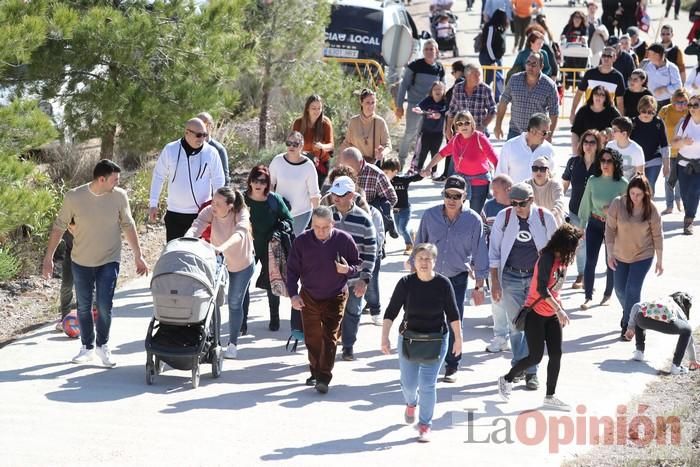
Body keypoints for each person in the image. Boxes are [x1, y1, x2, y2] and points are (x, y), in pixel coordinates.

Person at [42, 159, 149, 367]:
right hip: (81, 261)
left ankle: (103, 346)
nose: (117, 183)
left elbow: (128, 224)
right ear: (101, 179)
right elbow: (58, 227)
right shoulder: (74, 197)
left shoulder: (119, 196)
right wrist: (48, 258)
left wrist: (138, 254)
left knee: (104, 305)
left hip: (109, 259)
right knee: (83, 307)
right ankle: (87, 347)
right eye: (114, 180)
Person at [381, 243, 462, 442]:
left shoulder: (443, 284)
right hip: (409, 339)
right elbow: (391, 311)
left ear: (435, 261)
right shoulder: (406, 283)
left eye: (428, 259)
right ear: (413, 262)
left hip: (436, 340)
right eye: (420, 259)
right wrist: (385, 336)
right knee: (409, 384)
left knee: (427, 384)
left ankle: (425, 424)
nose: (424, 262)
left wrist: (458, 339)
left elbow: (453, 313)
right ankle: (411, 402)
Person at [497, 223, 582, 410]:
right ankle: (507, 379)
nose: (575, 250)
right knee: (535, 357)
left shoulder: (563, 261)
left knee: (556, 354)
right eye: (573, 246)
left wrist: (559, 306)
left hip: (552, 313)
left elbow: (556, 288)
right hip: (535, 314)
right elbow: (542, 289)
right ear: (564, 245)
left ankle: (550, 396)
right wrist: (559, 310)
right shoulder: (547, 258)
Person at [415, 175, 488, 383]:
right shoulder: (430, 216)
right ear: (443, 194)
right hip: (430, 276)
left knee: (454, 321)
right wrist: (415, 275)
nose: (452, 199)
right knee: (427, 320)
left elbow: (480, 252)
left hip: (457, 278)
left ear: (464, 197)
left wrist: (479, 285)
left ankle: (452, 365)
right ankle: (429, 361)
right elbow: (420, 244)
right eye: (448, 195)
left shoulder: (473, 220)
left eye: (457, 196)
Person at [489, 182, 558, 391]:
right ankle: (519, 366)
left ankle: (531, 372)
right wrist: (494, 282)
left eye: (522, 203)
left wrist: (554, 283)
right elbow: (494, 252)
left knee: (533, 326)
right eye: (514, 203)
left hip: (536, 280)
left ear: (531, 201)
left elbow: (557, 252)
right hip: (510, 277)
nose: (517, 207)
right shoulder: (505, 217)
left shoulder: (545, 218)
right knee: (515, 325)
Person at [285, 206, 362, 394]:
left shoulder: (344, 239)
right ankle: (315, 371)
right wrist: (293, 294)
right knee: (313, 337)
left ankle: (324, 377)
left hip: (336, 295)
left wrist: (348, 270)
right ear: (311, 225)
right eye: (316, 227)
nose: (320, 231)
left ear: (332, 224)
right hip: (309, 295)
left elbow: (357, 264)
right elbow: (292, 270)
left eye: (325, 227)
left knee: (330, 336)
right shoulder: (302, 241)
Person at [186, 187, 254, 358]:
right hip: (218, 262)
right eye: (213, 201)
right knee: (213, 300)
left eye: (218, 203)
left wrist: (221, 248)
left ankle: (233, 343)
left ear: (230, 206)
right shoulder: (210, 211)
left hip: (242, 263)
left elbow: (240, 233)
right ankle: (215, 341)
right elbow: (197, 226)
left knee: (234, 302)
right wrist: (186, 240)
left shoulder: (241, 212)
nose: (213, 205)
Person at [149, 118, 226, 242]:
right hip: (174, 213)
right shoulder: (170, 149)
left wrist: (217, 207)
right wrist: (153, 203)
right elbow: (158, 176)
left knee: (199, 255)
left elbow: (219, 181)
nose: (202, 139)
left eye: (204, 135)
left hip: (202, 214)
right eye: (198, 135)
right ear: (187, 133)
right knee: (175, 254)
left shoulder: (211, 153)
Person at [605, 175, 663, 340]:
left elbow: (658, 236)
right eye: (632, 193)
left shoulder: (651, 209)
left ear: (645, 194)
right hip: (620, 253)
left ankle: (629, 326)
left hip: (643, 254)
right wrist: (610, 253)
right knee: (620, 290)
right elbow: (609, 229)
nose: (635, 198)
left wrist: (660, 259)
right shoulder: (618, 203)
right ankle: (634, 313)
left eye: (639, 194)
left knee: (633, 289)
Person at [327, 176, 377, 361]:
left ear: (351, 195)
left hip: (355, 278)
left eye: (340, 195)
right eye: (334, 194)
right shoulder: (326, 215)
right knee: (330, 312)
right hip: (329, 279)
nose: (336, 198)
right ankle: (329, 346)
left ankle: (348, 346)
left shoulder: (364, 220)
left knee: (353, 312)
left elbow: (371, 251)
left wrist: (365, 278)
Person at [241, 165, 293, 333]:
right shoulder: (241, 199)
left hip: (271, 246)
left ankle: (275, 319)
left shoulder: (274, 200)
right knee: (243, 283)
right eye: (255, 180)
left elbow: (288, 220)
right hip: (248, 247)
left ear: (267, 183)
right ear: (250, 181)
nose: (258, 184)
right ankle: (241, 321)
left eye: (262, 181)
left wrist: (279, 229)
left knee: (273, 283)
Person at [578, 148, 629, 310]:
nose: (605, 164)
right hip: (594, 224)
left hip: (614, 227)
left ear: (615, 164)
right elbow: (586, 204)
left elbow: (629, 209)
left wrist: (614, 212)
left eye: (609, 161)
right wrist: (581, 228)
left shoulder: (622, 183)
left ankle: (607, 294)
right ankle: (588, 296)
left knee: (611, 262)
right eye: (603, 161)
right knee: (590, 260)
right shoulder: (593, 180)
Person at [422, 110, 498, 214]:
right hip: (460, 181)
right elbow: (442, 154)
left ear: (472, 123)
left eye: (467, 122)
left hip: (479, 182)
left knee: (474, 214)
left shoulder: (480, 138)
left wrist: (499, 181)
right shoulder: (456, 139)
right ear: (457, 127)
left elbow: (495, 160)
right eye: (460, 123)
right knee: (453, 211)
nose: (464, 125)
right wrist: (428, 167)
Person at [395, 40, 445, 167]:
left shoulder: (439, 69)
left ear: (436, 51)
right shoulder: (414, 66)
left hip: (432, 109)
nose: (429, 51)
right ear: (423, 51)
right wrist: (399, 105)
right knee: (410, 133)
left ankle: (418, 165)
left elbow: (443, 90)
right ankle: (400, 163)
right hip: (415, 106)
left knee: (423, 137)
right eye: (426, 49)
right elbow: (403, 86)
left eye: (431, 49)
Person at [562, 129, 602, 289]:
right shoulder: (573, 163)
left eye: (592, 142)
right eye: (586, 142)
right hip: (575, 210)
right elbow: (564, 184)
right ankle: (582, 274)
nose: (588, 145)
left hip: (595, 212)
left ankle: (587, 274)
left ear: (598, 145)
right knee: (580, 243)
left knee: (590, 244)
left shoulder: (602, 164)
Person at [625, 292, 700, 374]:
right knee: (687, 330)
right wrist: (693, 359)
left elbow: (636, 306)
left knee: (641, 313)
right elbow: (689, 337)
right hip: (665, 322)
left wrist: (630, 328)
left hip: (643, 320)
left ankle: (639, 352)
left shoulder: (661, 299)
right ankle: (676, 366)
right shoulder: (679, 309)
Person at [481, 174, 513, 353]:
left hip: (518, 261)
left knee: (517, 300)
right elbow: (482, 232)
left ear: (508, 190)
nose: (493, 194)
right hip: (496, 261)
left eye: (496, 191)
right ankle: (500, 337)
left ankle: (518, 338)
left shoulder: (519, 204)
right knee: (497, 298)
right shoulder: (489, 206)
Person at [495, 53, 559, 141]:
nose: (530, 66)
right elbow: (503, 102)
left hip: (537, 134)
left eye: (534, 64)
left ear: (541, 66)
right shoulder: (514, 80)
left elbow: (554, 112)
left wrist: (549, 135)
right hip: (515, 133)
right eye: (528, 63)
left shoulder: (549, 85)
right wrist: (498, 125)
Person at [269, 130, 321, 236]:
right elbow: (270, 184)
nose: (291, 147)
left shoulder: (308, 166)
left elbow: (314, 195)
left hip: (301, 213)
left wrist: (317, 218)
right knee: (280, 243)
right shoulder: (277, 161)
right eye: (288, 143)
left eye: (295, 144)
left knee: (294, 243)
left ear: (301, 145)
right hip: (281, 211)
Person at [338, 146, 398, 236]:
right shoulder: (340, 174)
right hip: (347, 221)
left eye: (351, 167)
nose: (348, 170)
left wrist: (374, 210)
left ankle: (390, 223)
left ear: (361, 162)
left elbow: (392, 198)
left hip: (373, 222)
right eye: (345, 167)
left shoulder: (376, 174)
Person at [569, 46, 625, 125]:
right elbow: (579, 93)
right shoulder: (590, 73)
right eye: (604, 56)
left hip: (607, 116)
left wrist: (621, 121)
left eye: (609, 56)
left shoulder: (618, 77)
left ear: (614, 58)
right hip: (588, 113)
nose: (606, 58)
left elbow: (620, 102)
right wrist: (572, 112)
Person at [495, 113, 555, 183]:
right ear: (533, 131)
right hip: (514, 193)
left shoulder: (549, 149)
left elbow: (553, 177)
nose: (546, 136)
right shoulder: (510, 146)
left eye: (548, 133)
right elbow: (500, 176)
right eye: (544, 133)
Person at [381, 158, 423, 255]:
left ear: (395, 171)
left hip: (405, 209)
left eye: (387, 172)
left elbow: (413, 178)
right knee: (400, 231)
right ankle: (412, 234)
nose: (384, 175)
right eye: (384, 172)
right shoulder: (386, 182)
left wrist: (422, 174)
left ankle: (410, 245)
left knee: (402, 229)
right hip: (395, 211)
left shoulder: (402, 180)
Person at [292, 95, 334, 189]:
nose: (317, 111)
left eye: (319, 108)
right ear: (307, 109)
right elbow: (293, 143)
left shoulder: (325, 123)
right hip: (302, 161)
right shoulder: (298, 123)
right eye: (313, 108)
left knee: (315, 192)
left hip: (320, 164)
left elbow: (331, 145)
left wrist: (322, 146)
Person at [672, 93, 700, 235]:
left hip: (699, 166)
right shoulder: (684, 122)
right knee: (684, 193)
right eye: (690, 105)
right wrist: (684, 142)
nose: (692, 108)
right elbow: (674, 144)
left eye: (696, 105)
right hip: (683, 164)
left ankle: (689, 220)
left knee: (695, 191)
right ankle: (689, 212)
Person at [446, 63, 497, 140]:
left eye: (480, 75)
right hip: (461, 134)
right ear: (467, 76)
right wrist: (448, 128)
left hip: (479, 135)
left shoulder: (485, 89)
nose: (479, 78)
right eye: (476, 75)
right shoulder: (458, 88)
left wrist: (483, 126)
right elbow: (452, 110)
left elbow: (493, 110)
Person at [339, 88, 392, 164]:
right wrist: (341, 161)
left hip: (374, 164)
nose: (370, 106)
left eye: (373, 102)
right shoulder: (354, 121)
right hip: (357, 164)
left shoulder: (380, 122)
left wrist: (382, 153)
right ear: (361, 102)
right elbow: (347, 143)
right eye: (367, 102)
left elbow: (388, 145)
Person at [657, 88, 688, 214]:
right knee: (668, 178)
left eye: (684, 102)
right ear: (673, 101)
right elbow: (657, 127)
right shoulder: (665, 110)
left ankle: (679, 200)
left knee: (681, 178)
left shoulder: (690, 111)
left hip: (685, 150)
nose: (681, 105)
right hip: (668, 149)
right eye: (678, 102)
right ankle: (669, 205)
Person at [631, 95, 669, 193]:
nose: (646, 114)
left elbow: (664, 144)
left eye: (650, 112)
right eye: (644, 111)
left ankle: (649, 207)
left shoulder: (658, 123)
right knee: (637, 188)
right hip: (636, 162)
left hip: (654, 160)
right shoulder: (633, 123)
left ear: (655, 111)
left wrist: (666, 164)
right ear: (639, 109)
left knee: (649, 187)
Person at [571, 84, 621, 153]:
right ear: (592, 96)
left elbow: (620, 129)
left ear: (606, 98)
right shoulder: (583, 111)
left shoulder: (612, 112)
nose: (598, 96)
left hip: (606, 150)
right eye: (596, 94)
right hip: (586, 148)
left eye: (602, 95)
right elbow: (575, 132)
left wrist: (608, 133)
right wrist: (575, 153)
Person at [411, 81, 448, 175]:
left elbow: (447, 110)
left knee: (435, 153)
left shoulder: (444, 102)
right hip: (426, 131)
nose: (437, 91)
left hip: (438, 132)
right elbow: (419, 106)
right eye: (435, 89)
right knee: (423, 151)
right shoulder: (428, 100)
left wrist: (440, 114)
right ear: (431, 91)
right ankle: (419, 169)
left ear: (444, 91)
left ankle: (433, 171)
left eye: (440, 89)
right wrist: (418, 109)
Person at [479, 9, 508, 104]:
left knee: (499, 80)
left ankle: (497, 99)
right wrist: (492, 59)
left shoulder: (499, 28)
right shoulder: (491, 27)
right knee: (488, 80)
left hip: (496, 58)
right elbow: (488, 45)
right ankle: (485, 99)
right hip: (489, 58)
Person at [526, 157, 566, 226]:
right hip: (534, 225)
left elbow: (560, 203)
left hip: (554, 225)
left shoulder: (555, 185)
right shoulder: (527, 184)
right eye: (535, 169)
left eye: (542, 169)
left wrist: (549, 216)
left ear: (548, 171)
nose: (538, 172)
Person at [641, 43, 682, 109]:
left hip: (666, 103)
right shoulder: (645, 64)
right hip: (648, 102)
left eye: (650, 54)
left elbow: (678, 87)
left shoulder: (672, 68)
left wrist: (664, 89)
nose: (648, 56)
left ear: (657, 55)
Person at [196, 112, 230, 186]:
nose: (202, 126)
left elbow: (225, 179)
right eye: (199, 123)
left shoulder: (219, 149)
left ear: (212, 126)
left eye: (205, 123)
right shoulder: (187, 147)